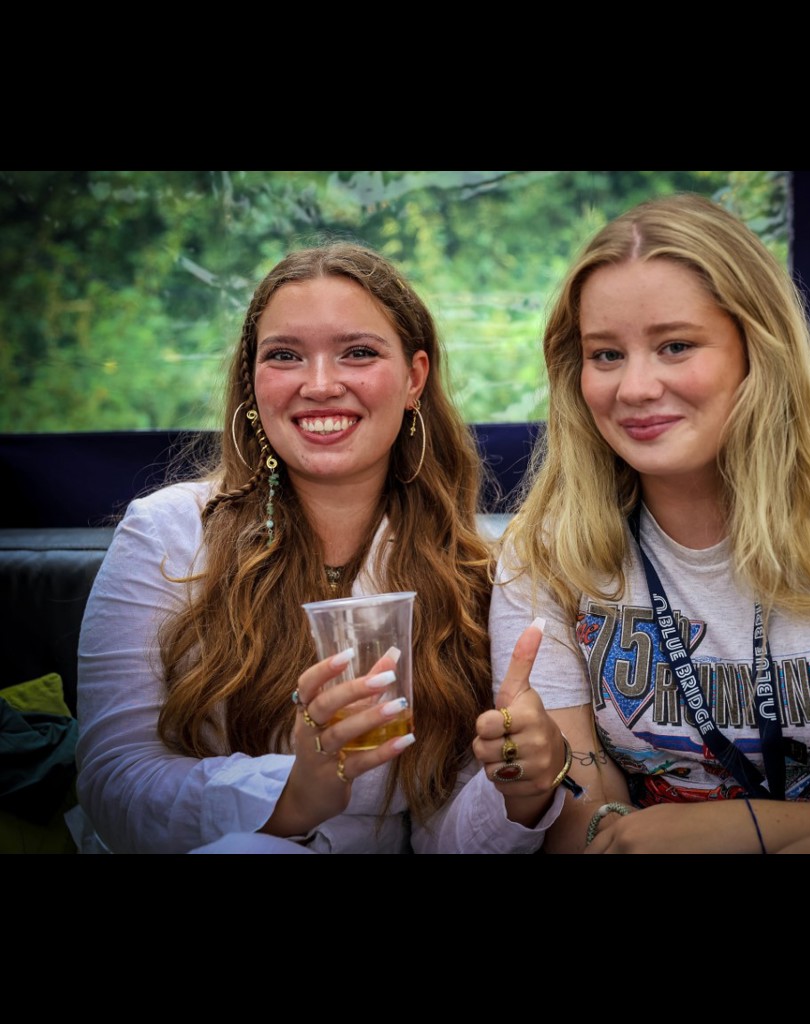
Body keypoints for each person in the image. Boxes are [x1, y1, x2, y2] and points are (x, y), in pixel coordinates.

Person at [486, 192, 810, 854]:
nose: (634, 387)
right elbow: (580, 819)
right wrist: (554, 797)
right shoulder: (546, 549)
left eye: (676, 346)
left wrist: (744, 831)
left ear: (758, 350)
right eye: (606, 355)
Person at [72, 241, 568, 854]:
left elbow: (445, 836)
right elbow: (112, 783)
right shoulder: (166, 534)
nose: (321, 384)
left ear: (414, 378)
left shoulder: (475, 571)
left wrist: (518, 790)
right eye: (285, 355)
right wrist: (294, 796)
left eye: (358, 352)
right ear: (252, 380)